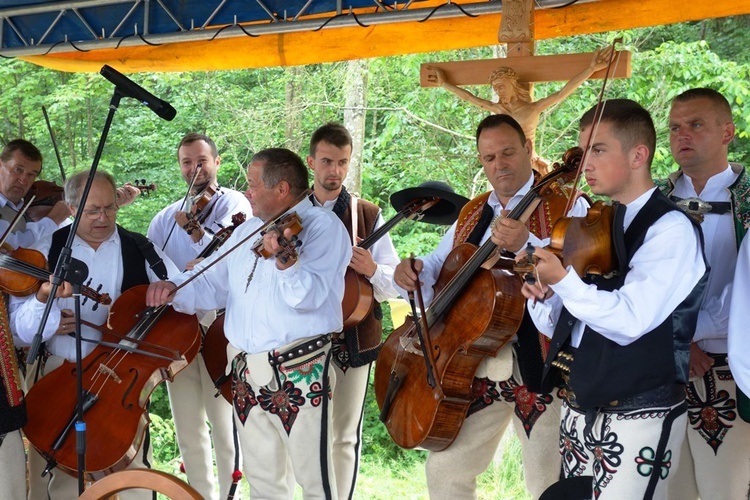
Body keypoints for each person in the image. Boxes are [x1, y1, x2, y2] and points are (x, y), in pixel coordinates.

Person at [392, 114, 588, 499]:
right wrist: (411, 271)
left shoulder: (570, 203)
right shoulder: (472, 211)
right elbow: (437, 263)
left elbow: (578, 278)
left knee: (546, 483)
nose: (499, 164)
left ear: (528, 150)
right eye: (489, 157)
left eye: (508, 153)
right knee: (445, 472)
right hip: (476, 365)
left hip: (541, 364)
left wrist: (527, 243)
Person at [519, 99, 707, 499]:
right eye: (584, 150)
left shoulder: (669, 229)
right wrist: (545, 299)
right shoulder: (600, 221)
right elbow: (576, 327)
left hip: (639, 411)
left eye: (598, 150)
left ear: (638, 154)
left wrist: (566, 281)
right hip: (581, 401)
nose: (585, 163)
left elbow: (629, 321)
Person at [146, 148, 351, 499]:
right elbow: (213, 285)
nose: (247, 191)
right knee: (264, 481)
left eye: (253, 184)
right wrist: (174, 289)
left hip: (300, 366)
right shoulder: (247, 231)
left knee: (315, 479)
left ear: (282, 189)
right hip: (245, 370)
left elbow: (310, 298)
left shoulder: (323, 228)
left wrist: (286, 262)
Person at [10, 169, 180, 500]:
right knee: (58, 479)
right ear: (71, 208)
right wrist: (48, 311)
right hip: (59, 373)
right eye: (92, 211)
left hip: (120, 380)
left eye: (109, 208)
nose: (103, 218)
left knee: (132, 476)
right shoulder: (47, 249)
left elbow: (188, 297)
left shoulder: (140, 246)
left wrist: (169, 288)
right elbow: (21, 331)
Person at [147, 133, 250, 500]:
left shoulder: (234, 204)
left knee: (224, 424)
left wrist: (195, 231)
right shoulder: (164, 219)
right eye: (187, 163)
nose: (195, 169)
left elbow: (235, 259)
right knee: (187, 424)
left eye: (201, 161)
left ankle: (229, 496)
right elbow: (153, 270)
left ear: (217, 162)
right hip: (177, 329)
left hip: (219, 326)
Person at [659, 88, 750, 500]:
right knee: (668, 490)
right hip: (663, 368)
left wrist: (693, 335)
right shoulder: (653, 200)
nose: (683, 135)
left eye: (696, 125)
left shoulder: (747, 200)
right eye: (675, 127)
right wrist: (678, 341)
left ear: (728, 131)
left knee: (725, 492)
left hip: (732, 367)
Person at [306, 123, 400, 499]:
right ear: (311, 161)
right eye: (327, 161)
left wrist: (372, 270)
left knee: (345, 433)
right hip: (304, 338)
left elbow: (394, 281)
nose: (335, 171)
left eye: (342, 162)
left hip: (355, 335)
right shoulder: (292, 213)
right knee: (308, 432)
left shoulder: (367, 214)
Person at [427, 46, 613, 173]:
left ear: (512, 85)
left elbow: (561, 93)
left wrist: (590, 69)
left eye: (501, 86)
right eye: (495, 88)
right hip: (505, 164)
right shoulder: (498, 109)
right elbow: (469, 97)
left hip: (528, 163)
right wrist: (444, 84)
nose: (498, 91)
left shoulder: (532, 108)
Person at [0, 139, 72, 248]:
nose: (24, 180)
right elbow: (10, 246)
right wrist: (51, 221)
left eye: (31, 175)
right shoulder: (49, 218)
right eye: (18, 170)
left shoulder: (36, 206)